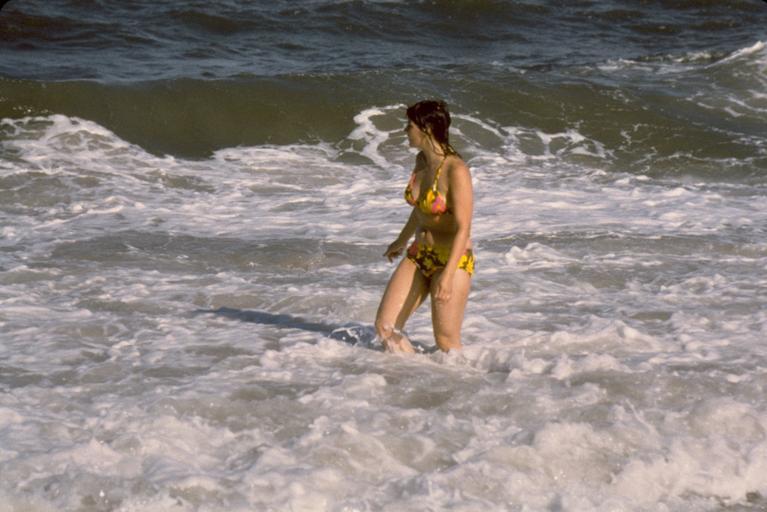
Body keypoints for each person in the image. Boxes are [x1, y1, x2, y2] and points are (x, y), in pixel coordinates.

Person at [375, 100, 474, 353]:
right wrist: (401, 240)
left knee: (446, 342)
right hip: (420, 254)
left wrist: (448, 276)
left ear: (427, 128)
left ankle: (460, 376)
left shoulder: (456, 170)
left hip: (452, 259)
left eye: (409, 125)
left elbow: (464, 227)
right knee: (385, 327)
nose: (405, 130)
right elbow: (421, 209)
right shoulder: (421, 161)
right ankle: (414, 372)